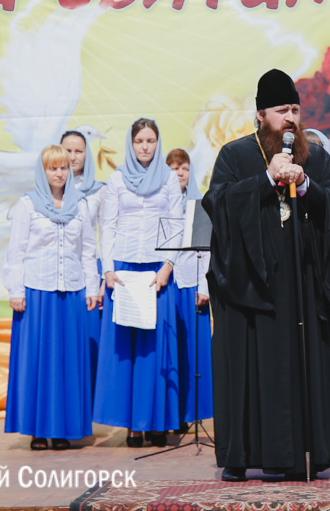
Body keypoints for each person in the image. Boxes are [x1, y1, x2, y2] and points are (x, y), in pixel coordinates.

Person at [203, 68, 330, 482]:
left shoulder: (316, 156)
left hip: (302, 286)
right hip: (251, 288)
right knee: (250, 369)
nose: (290, 118)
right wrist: (266, 179)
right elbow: (216, 204)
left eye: (294, 110)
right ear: (260, 115)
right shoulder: (235, 155)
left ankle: (307, 451)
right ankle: (242, 455)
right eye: (280, 110)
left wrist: (305, 183)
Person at [2, 145, 101, 451]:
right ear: (42, 171)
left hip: (70, 294)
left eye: (63, 168)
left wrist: (91, 288)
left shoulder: (80, 206)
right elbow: (16, 251)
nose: (58, 173)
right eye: (52, 168)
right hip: (37, 294)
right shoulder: (28, 205)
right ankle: (37, 430)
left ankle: (63, 430)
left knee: (67, 362)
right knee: (38, 362)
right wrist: (16, 290)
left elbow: (87, 251)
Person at [94, 119, 183, 448]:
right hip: (125, 270)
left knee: (155, 349)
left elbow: (176, 224)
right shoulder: (117, 179)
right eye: (139, 141)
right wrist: (107, 271)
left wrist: (167, 266)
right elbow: (109, 225)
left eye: (151, 140)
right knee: (127, 348)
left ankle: (156, 421)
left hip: (157, 272)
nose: (145, 147)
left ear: (157, 143)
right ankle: (132, 424)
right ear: (131, 145)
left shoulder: (170, 179)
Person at [165, 148, 214, 427]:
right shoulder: (159, 203)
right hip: (167, 286)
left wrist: (205, 286)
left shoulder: (200, 204)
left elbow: (207, 250)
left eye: (183, 168)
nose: (179, 173)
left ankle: (189, 412)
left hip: (191, 285)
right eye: (172, 168)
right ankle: (171, 412)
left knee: (192, 351)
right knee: (171, 351)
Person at [62, 130, 106, 390]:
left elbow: (106, 235)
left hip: (91, 270)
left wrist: (102, 279)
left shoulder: (100, 190)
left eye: (78, 151)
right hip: (61, 271)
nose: (72, 156)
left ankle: (86, 406)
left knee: (90, 339)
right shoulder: (48, 190)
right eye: (67, 150)